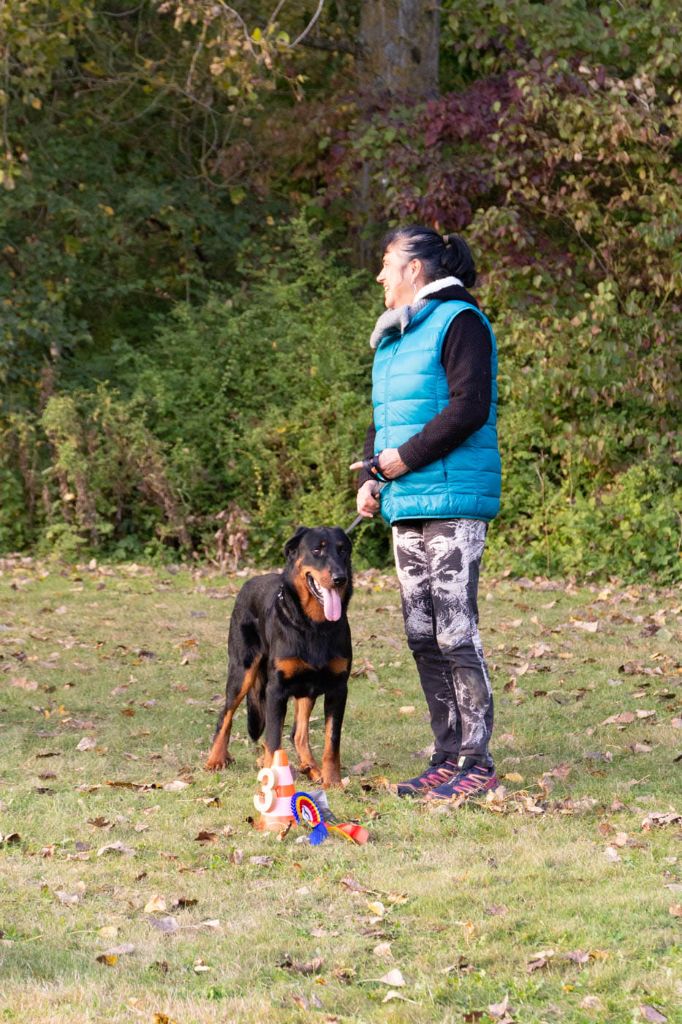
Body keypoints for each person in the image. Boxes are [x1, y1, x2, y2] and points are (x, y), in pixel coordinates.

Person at [351, 225, 501, 800]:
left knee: (456, 631)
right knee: (421, 633)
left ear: (414, 267)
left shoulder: (460, 320)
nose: (380, 275)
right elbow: (385, 417)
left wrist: (401, 460)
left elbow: (469, 408)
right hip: (406, 499)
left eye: (387, 262)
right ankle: (445, 755)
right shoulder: (394, 335)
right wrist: (371, 475)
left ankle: (476, 763)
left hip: (453, 498)